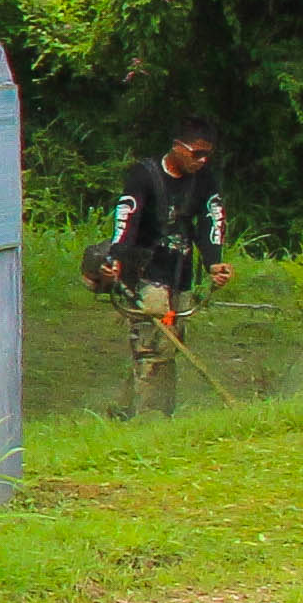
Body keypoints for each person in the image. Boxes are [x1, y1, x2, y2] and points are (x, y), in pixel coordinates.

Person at [105, 121, 232, 419]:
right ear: (178, 146)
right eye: (196, 153)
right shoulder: (144, 175)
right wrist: (117, 258)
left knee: (170, 342)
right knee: (154, 343)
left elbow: (212, 221)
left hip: (180, 273)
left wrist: (214, 262)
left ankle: (127, 407)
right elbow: (127, 217)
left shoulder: (204, 180)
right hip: (145, 271)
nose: (201, 161)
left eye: (207, 156)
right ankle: (151, 417)